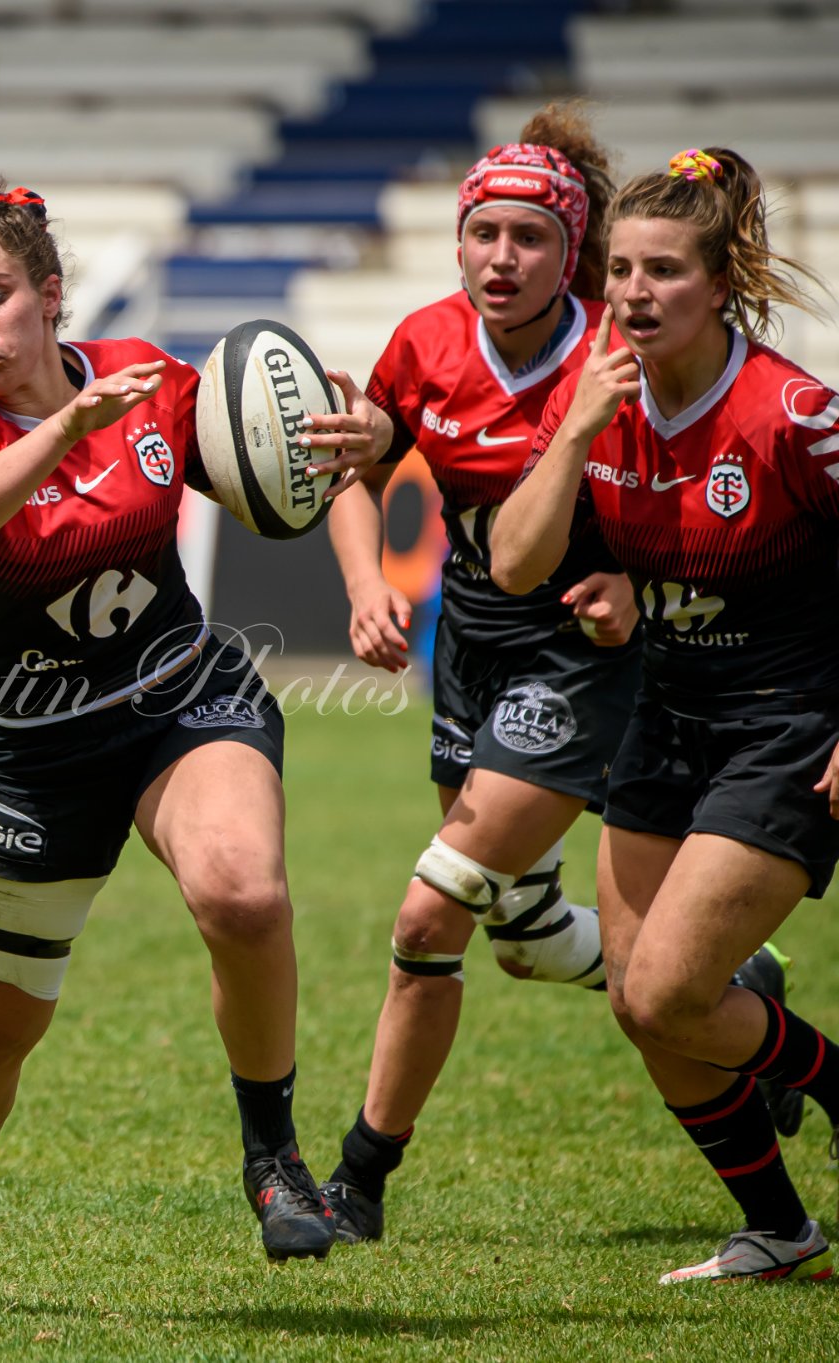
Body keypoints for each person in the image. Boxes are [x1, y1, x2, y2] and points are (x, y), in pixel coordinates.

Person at [0, 175, 391, 1311]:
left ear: (49, 296)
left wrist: (361, 532)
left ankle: (274, 1157)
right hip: (34, 755)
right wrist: (60, 431)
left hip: (182, 700)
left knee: (241, 892)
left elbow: (312, 459)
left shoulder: (141, 378)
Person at [313, 108, 798, 1242]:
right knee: (520, 933)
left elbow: (685, 471)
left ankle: (357, 1178)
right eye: (481, 233)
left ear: (563, 248)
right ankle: (743, 985)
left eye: (527, 237)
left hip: (582, 657)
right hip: (472, 636)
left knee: (431, 907)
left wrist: (633, 577)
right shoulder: (425, 343)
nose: (499, 257)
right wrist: (363, 582)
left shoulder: (618, 350)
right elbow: (360, 465)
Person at [491, 146, 839, 1283]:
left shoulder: (791, 415)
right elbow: (512, 565)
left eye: (663, 272)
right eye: (620, 269)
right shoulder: (589, 397)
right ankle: (777, 1231)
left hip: (785, 721)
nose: (633, 293)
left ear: (719, 281)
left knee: (665, 990)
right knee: (644, 1015)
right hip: (665, 716)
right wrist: (575, 432)